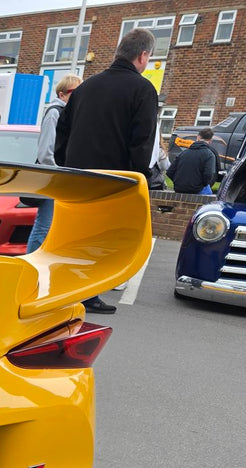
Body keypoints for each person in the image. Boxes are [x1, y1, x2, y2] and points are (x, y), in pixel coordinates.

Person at [54, 28, 159, 315]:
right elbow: (142, 142)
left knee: (76, 239)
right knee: (102, 242)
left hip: (77, 178)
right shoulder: (143, 90)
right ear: (143, 55)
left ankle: (66, 291)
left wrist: (67, 167)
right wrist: (138, 178)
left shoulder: (86, 87)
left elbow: (62, 132)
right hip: (114, 180)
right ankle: (88, 295)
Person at [25, 75, 81, 254]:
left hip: (62, 177)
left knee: (53, 225)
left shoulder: (68, 114)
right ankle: (31, 264)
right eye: (74, 92)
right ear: (62, 94)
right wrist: (58, 173)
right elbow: (45, 151)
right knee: (44, 225)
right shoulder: (54, 112)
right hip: (54, 177)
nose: (78, 96)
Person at [168, 127, 218, 194]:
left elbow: (170, 172)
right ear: (210, 140)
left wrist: (177, 182)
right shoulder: (210, 155)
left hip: (179, 188)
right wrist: (202, 185)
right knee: (210, 196)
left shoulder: (183, 153)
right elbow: (208, 175)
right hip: (197, 189)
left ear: (198, 137)